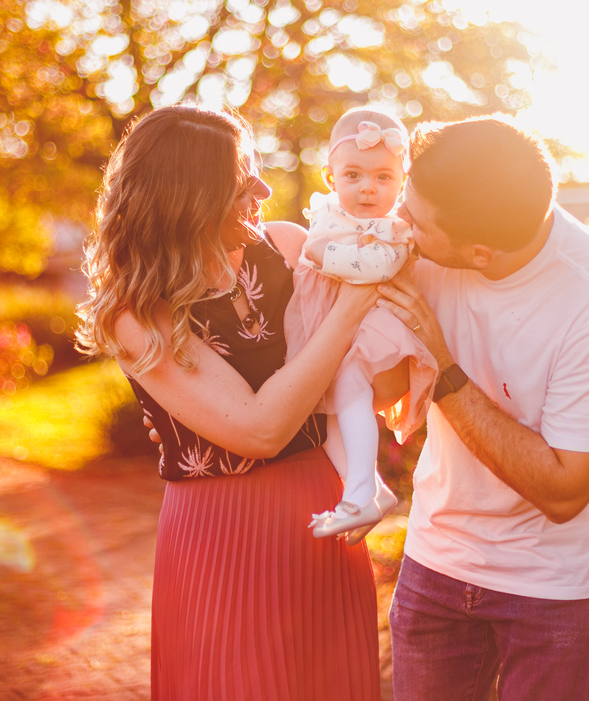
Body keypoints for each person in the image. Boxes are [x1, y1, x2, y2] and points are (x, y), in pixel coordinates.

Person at [76, 106, 381, 701]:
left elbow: (374, 359)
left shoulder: (290, 247)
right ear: (188, 195)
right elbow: (259, 430)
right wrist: (348, 312)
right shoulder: (139, 313)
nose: (264, 189)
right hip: (222, 535)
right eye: (243, 178)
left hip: (320, 514)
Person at [374, 115, 589, 701]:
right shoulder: (420, 249)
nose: (400, 224)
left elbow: (565, 490)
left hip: (554, 585)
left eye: (415, 221)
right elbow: (381, 390)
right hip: (437, 561)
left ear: (479, 253)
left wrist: (445, 370)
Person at [285, 108, 438, 541]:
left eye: (383, 178)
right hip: (331, 322)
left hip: (373, 326)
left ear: (402, 181)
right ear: (330, 177)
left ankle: (356, 496)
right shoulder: (328, 213)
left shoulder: (395, 230)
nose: (368, 188)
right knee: (326, 408)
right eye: (353, 175)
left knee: (350, 384)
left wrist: (322, 254)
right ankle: (373, 490)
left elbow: (378, 267)